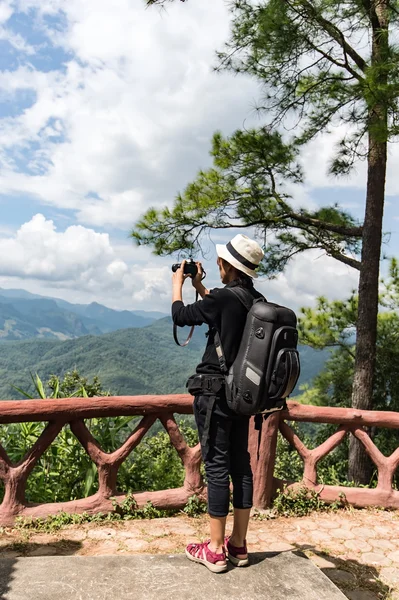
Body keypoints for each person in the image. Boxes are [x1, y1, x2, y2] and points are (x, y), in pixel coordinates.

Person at [171, 233, 264, 573]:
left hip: (214, 393)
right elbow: (219, 310)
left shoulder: (225, 298)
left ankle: (213, 549)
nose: (216, 266)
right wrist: (200, 286)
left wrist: (177, 283)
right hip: (243, 396)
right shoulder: (255, 299)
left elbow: (181, 316)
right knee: (241, 465)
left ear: (227, 265)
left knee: (216, 466)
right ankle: (237, 545)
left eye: (220, 262)